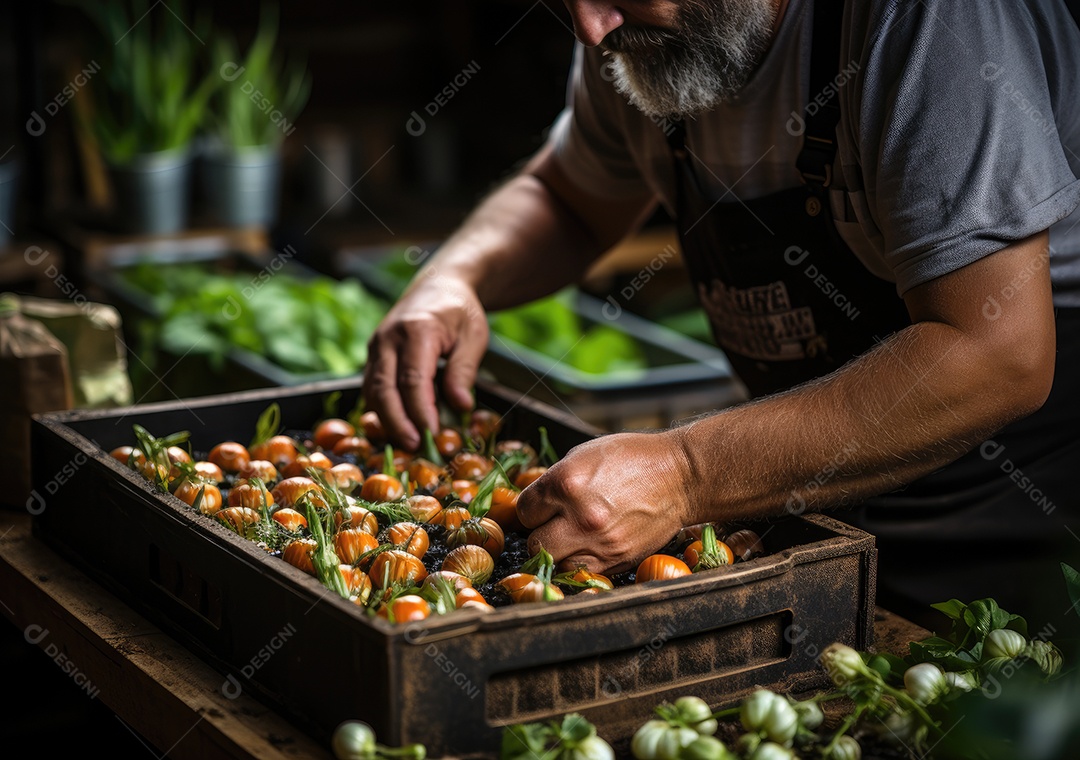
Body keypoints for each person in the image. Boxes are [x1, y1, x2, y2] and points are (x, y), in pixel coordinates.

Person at [364, 0, 1080, 630]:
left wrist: (685, 473)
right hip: (808, 498)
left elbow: (997, 354)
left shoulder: (925, 22)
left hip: (1011, 529)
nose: (589, 27)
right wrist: (454, 279)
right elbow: (568, 196)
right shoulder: (637, 37)